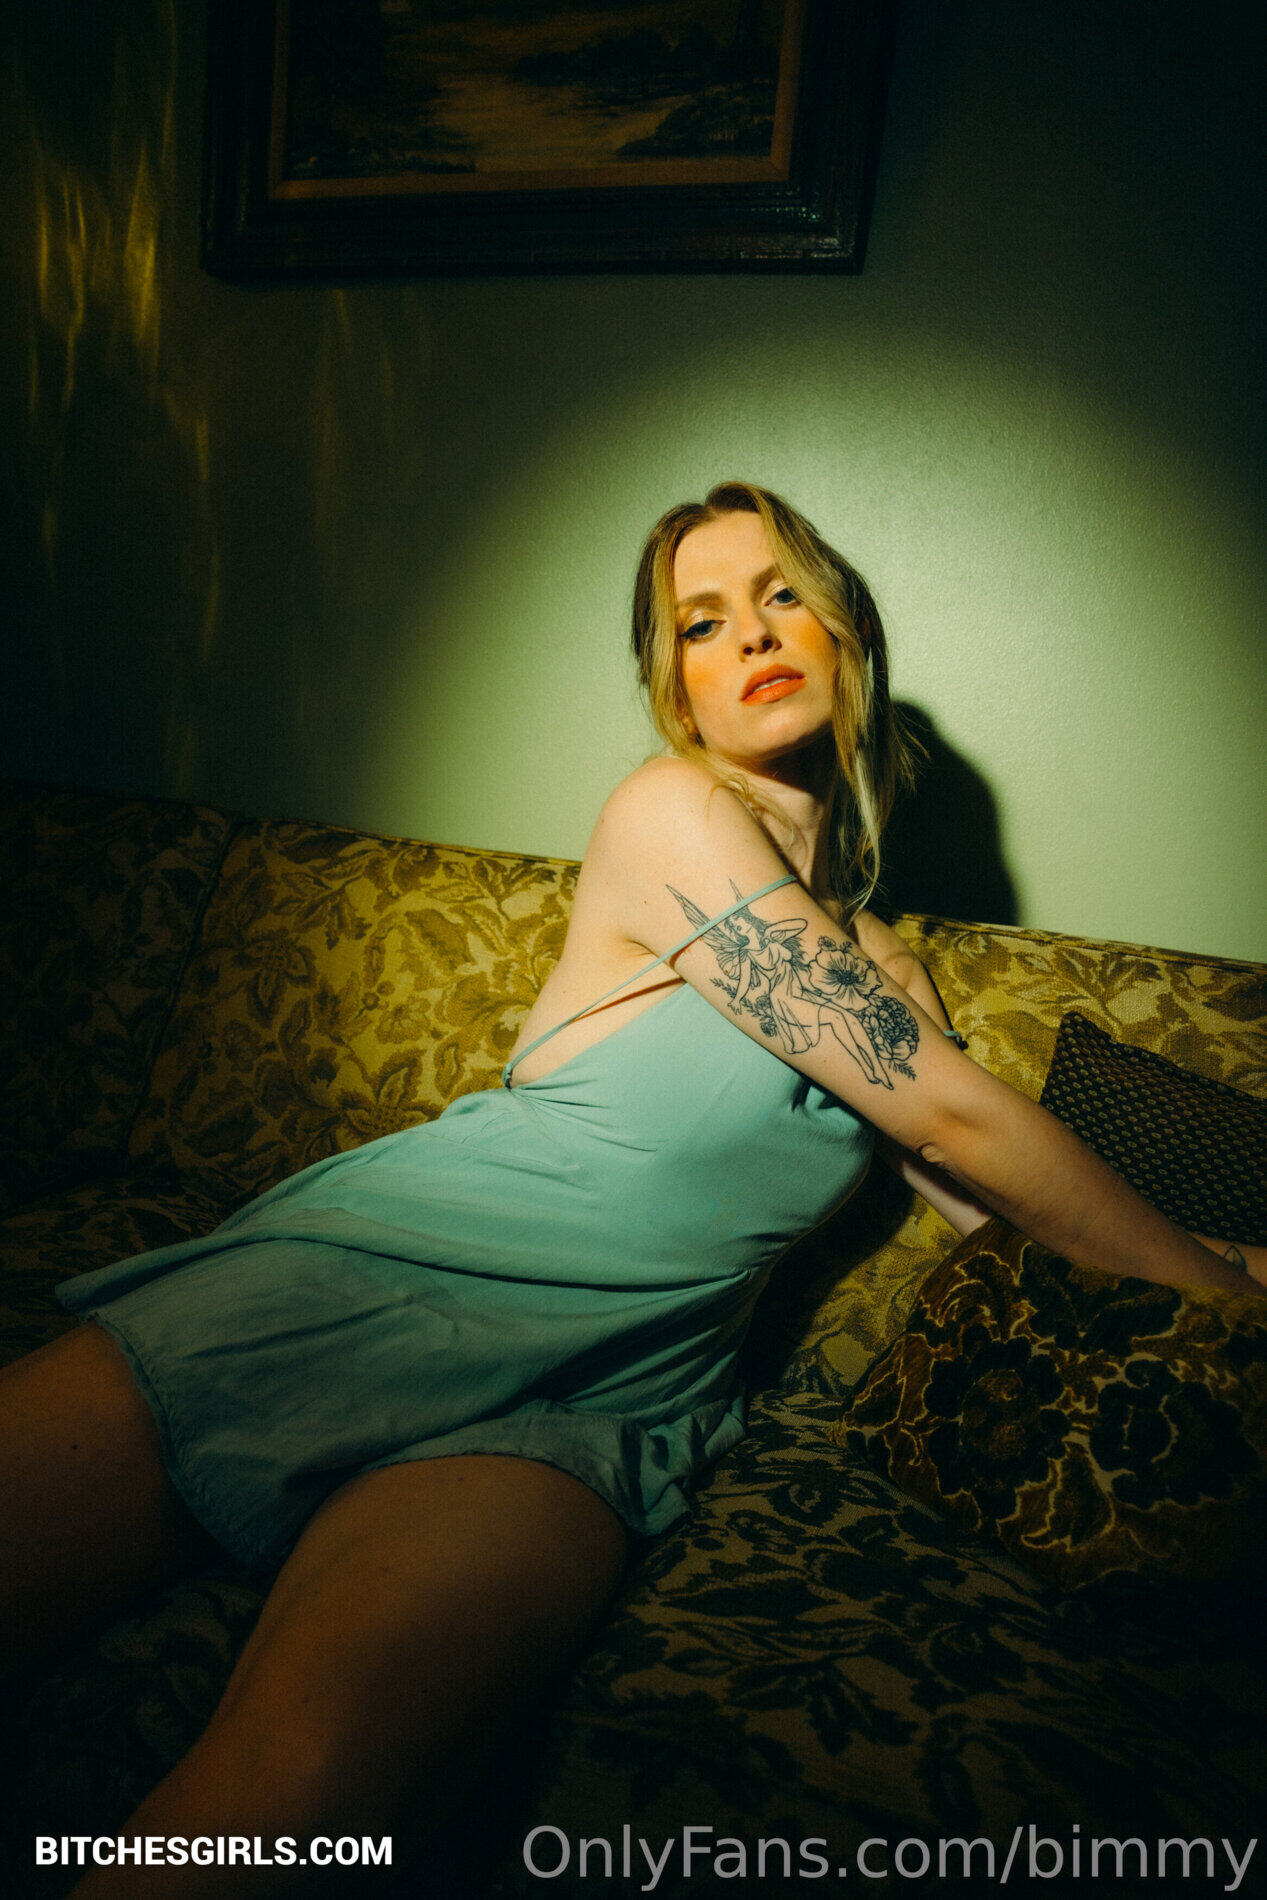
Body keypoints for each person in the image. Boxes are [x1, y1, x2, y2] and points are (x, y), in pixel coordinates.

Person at [2, 481, 1262, 1896]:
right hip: (392, 1274)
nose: (753, 634)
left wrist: (1210, 1262)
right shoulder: (670, 814)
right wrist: (1222, 1289)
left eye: (782, 595)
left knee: (296, 1803)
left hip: (610, 1396)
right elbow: (960, 1120)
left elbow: (976, 1193)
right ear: (679, 695)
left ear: (846, 631)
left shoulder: (880, 963)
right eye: (702, 622)